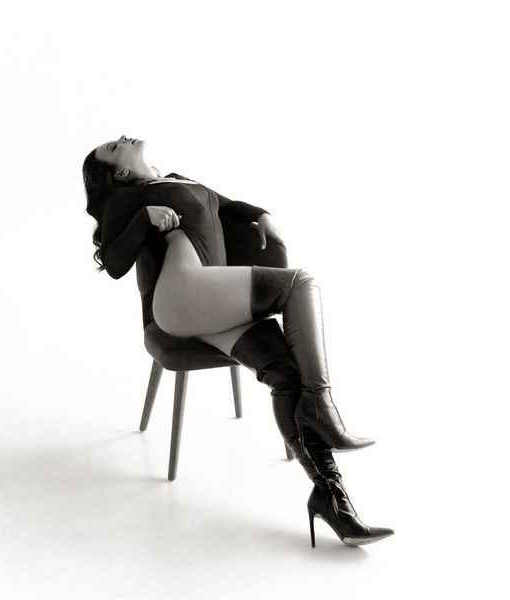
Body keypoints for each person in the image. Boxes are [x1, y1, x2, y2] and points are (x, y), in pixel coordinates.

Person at [83, 135, 394, 547]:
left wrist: (262, 215)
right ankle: (321, 403)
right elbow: (114, 263)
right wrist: (144, 218)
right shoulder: (129, 198)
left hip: (211, 303)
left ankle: (333, 501)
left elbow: (225, 206)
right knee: (301, 282)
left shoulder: (174, 179)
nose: (122, 138)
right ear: (120, 172)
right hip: (182, 297)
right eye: (112, 147)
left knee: (285, 374)